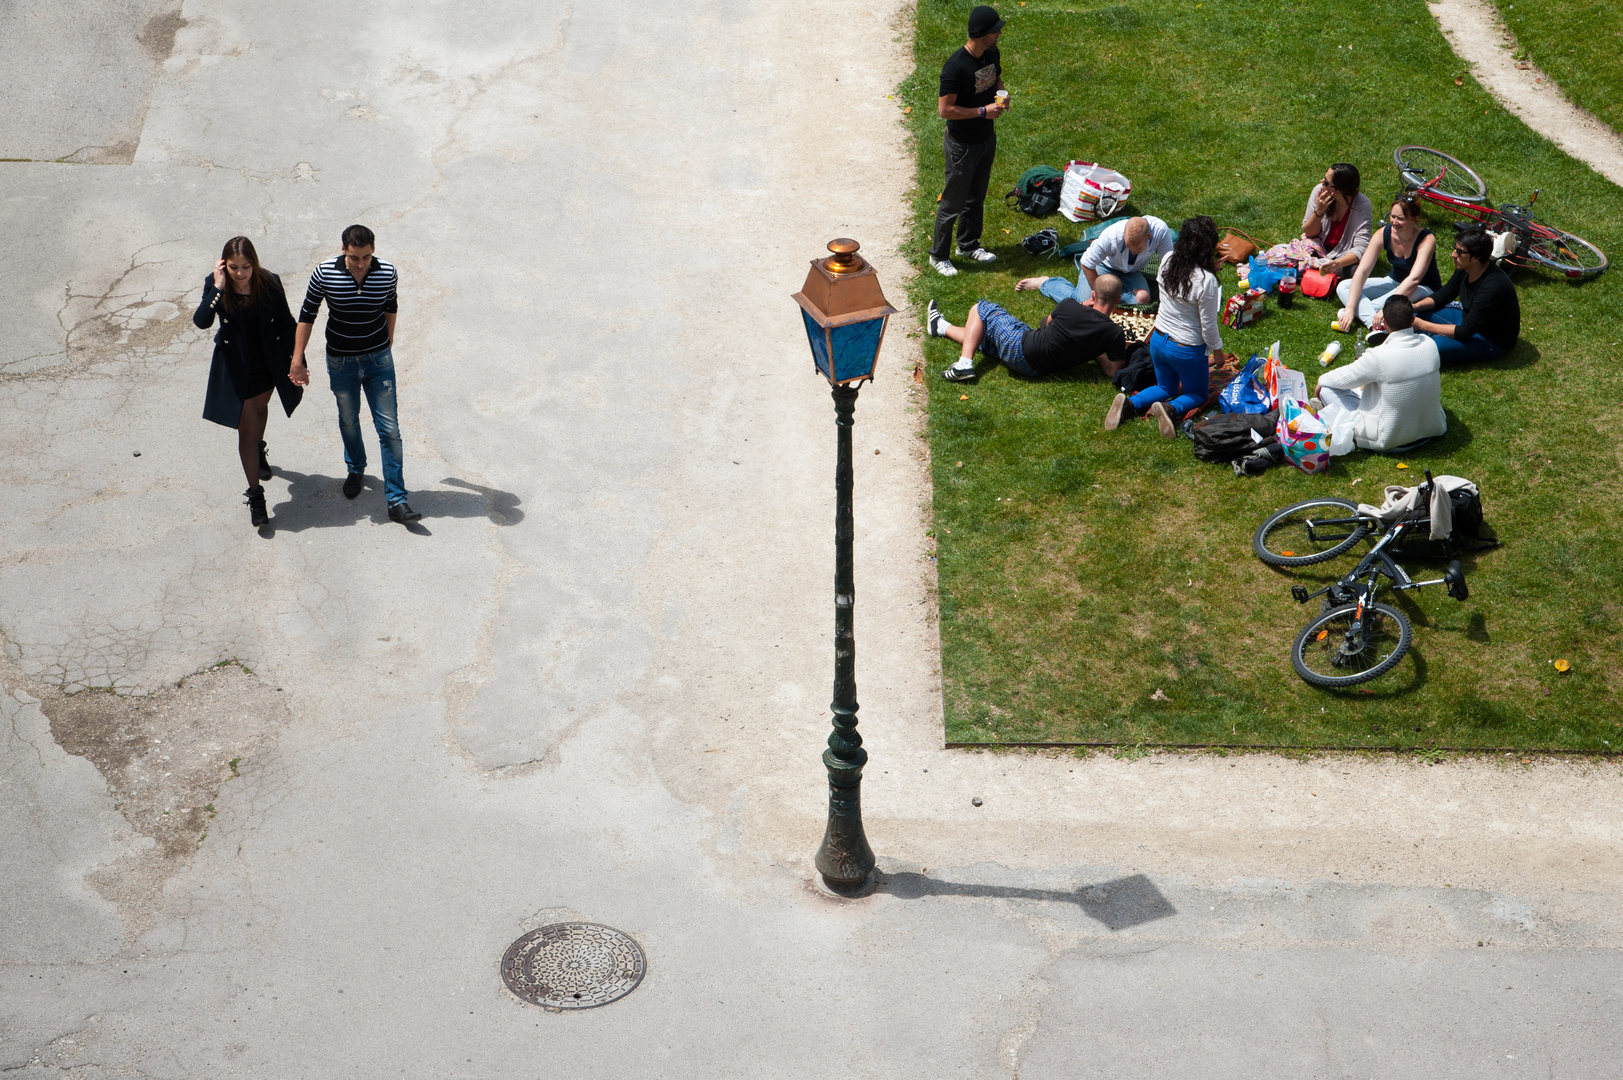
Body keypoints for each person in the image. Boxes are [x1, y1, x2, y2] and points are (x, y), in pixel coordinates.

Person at [291, 224, 421, 523]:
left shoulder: (387, 272)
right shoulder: (324, 273)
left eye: (365, 257)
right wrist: (297, 359)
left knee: (389, 429)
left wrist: (387, 342)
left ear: (373, 249)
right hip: (341, 361)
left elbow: (391, 305)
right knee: (349, 419)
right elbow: (307, 315)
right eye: (353, 258)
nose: (360, 264)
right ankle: (356, 468)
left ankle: (397, 500)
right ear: (343, 251)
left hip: (378, 361)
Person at [194, 236, 303, 528]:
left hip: (267, 364)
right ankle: (256, 495)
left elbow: (286, 322)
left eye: (245, 266)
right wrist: (218, 286)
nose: (239, 273)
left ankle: (259, 449)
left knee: (260, 409)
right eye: (233, 267)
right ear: (223, 265)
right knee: (246, 429)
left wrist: (298, 359)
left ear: (254, 263)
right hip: (235, 368)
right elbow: (202, 320)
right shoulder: (217, 284)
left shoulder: (270, 282)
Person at [1105, 216, 1224, 438]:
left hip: (1158, 341)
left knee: (1166, 387)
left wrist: (1210, 271)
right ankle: (1170, 409)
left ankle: (1130, 403)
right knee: (1198, 393)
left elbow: (1188, 277)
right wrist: (1218, 351)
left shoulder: (1168, 259)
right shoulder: (1207, 281)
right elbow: (1208, 325)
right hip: (1186, 349)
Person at [927, 274, 1128, 382]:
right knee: (982, 336)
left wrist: (1076, 311)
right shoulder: (1114, 333)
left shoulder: (1070, 306)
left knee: (981, 309)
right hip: (1035, 371)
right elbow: (1112, 372)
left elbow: (1043, 324)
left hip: (1021, 348)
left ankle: (964, 364)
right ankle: (940, 326)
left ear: (1093, 295)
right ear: (1118, 300)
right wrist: (1096, 352)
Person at [930, 5, 1008, 278]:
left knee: (976, 197)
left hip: (986, 138)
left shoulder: (992, 52)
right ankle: (938, 255)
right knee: (952, 202)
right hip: (962, 146)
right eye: (995, 30)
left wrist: (1001, 94)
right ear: (981, 33)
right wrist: (982, 111)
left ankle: (967, 245)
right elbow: (945, 110)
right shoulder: (955, 67)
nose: (999, 32)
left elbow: (996, 78)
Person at [1315, 294, 1446, 454]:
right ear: (1413, 319)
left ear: (1384, 323)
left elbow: (1344, 378)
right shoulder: (1430, 344)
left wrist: (1322, 381)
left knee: (1328, 389)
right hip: (1430, 429)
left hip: (1389, 439)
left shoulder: (1377, 356)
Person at [1407, 225, 1520, 363]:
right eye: (1455, 249)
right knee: (1418, 314)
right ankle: (1422, 335)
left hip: (1490, 339)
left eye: (1460, 252)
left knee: (1434, 348)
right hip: (1467, 321)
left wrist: (1421, 325)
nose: (1453, 255)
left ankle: (1421, 337)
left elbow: (1464, 332)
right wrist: (1412, 308)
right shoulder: (1465, 268)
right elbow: (1444, 295)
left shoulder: (1493, 286)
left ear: (1476, 257)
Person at [1334, 195, 1441, 330]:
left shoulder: (1427, 239)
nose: (1394, 222)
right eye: (1392, 216)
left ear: (1414, 219)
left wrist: (1385, 308)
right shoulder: (1383, 234)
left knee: (1377, 304)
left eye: (1400, 219)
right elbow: (1362, 272)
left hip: (1422, 287)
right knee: (1343, 286)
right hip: (1394, 282)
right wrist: (1349, 308)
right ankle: (1374, 325)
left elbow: (1414, 279)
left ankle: (1366, 316)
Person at [1019, 215, 1174, 307]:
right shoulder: (1111, 236)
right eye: (1128, 247)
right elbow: (1087, 263)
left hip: (1132, 272)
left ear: (1149, 237)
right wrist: (1098, 293)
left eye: (1136, 250)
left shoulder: (1160, 231)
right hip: (1104, 267)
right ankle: (1046, 283)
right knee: (1084, 302)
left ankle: (1114, 297)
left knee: (1143, 298)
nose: (1132, 252)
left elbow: (1169, 265)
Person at [1301, 163, 1373, 276]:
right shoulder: (1319, 192)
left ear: (1339, 190)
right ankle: (1327, 277)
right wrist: (1318, 212)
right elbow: (1309, 233)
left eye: (1326, 182)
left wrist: (1336, 264)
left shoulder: (1362, 204)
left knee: (1355, 271)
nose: (1321, 182)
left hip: (1343, 255)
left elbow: (1361, 247)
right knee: (1299, 258)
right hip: (1318, 248)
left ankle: (1319, 274)